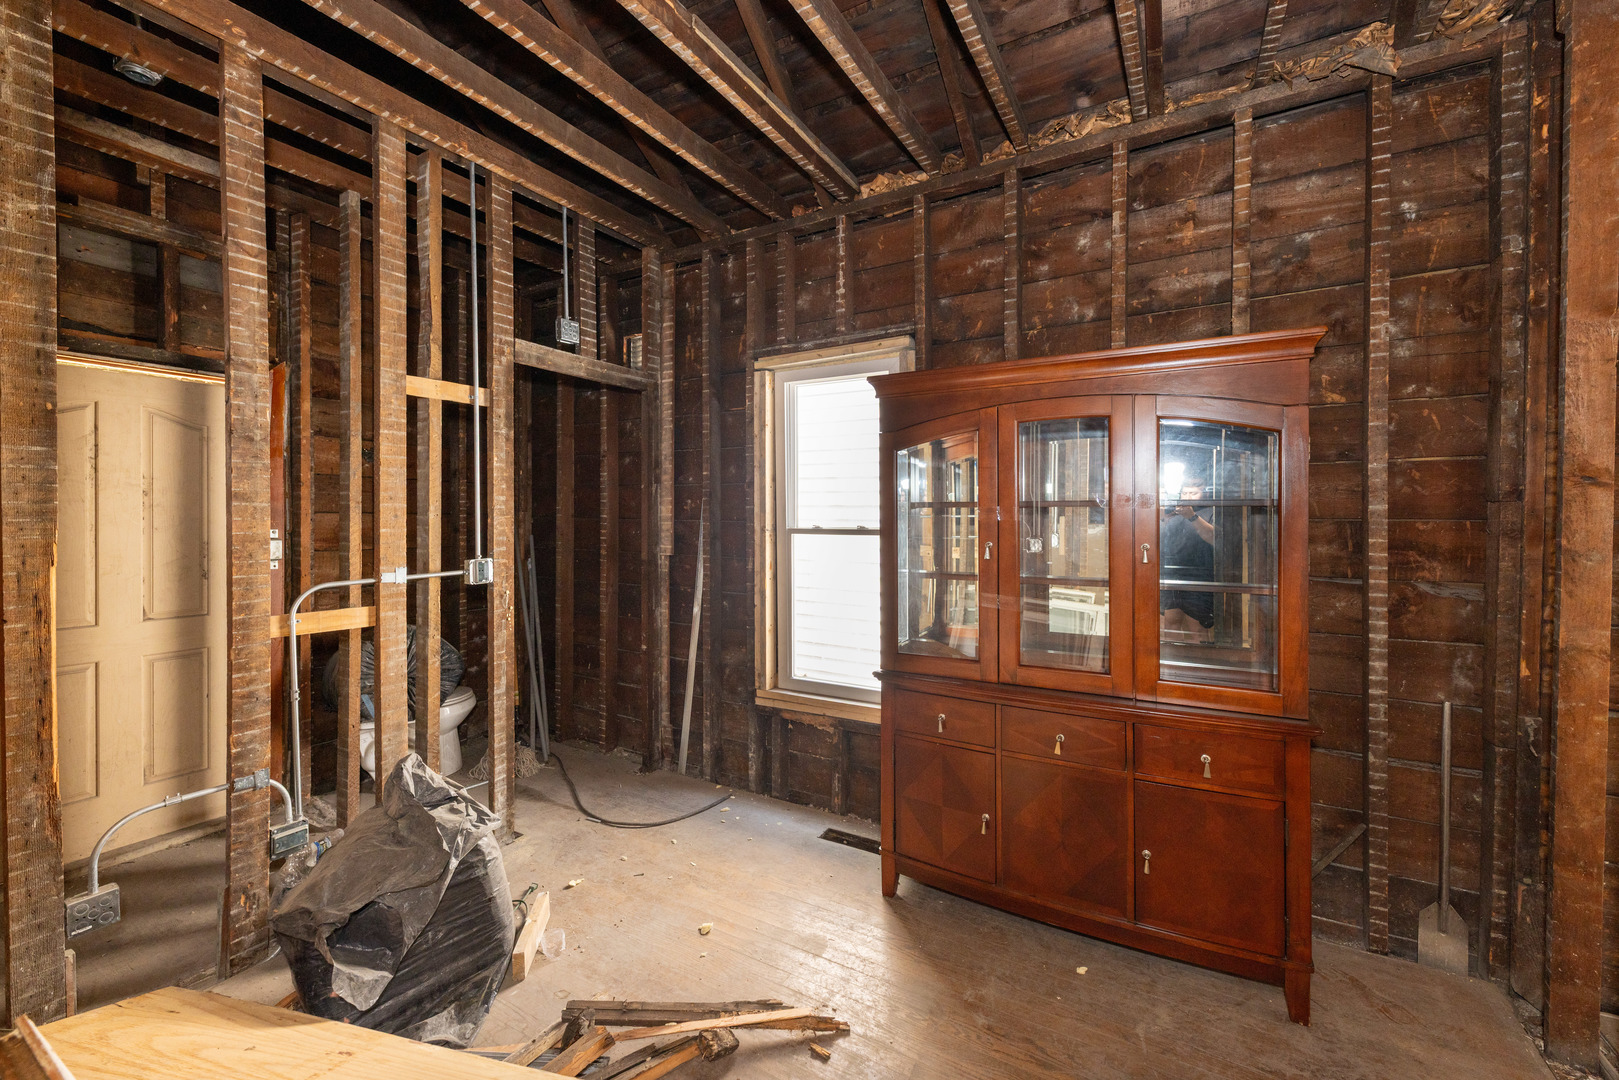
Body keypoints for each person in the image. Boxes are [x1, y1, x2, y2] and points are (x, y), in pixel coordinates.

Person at [1160, 477, 1216, 640]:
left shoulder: (1211, 511)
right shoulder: (1173, 513)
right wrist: (1161, 517)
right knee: (1170, 624)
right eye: (1185, 492)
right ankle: (1171, 665)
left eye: (1193, 493)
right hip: (1172, 574)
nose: (1188, 496)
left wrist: (1191, 516)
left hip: (1199, 577)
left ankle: (1201, 664)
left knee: (1197, 628)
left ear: (1205, 494)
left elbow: (1214, 538)